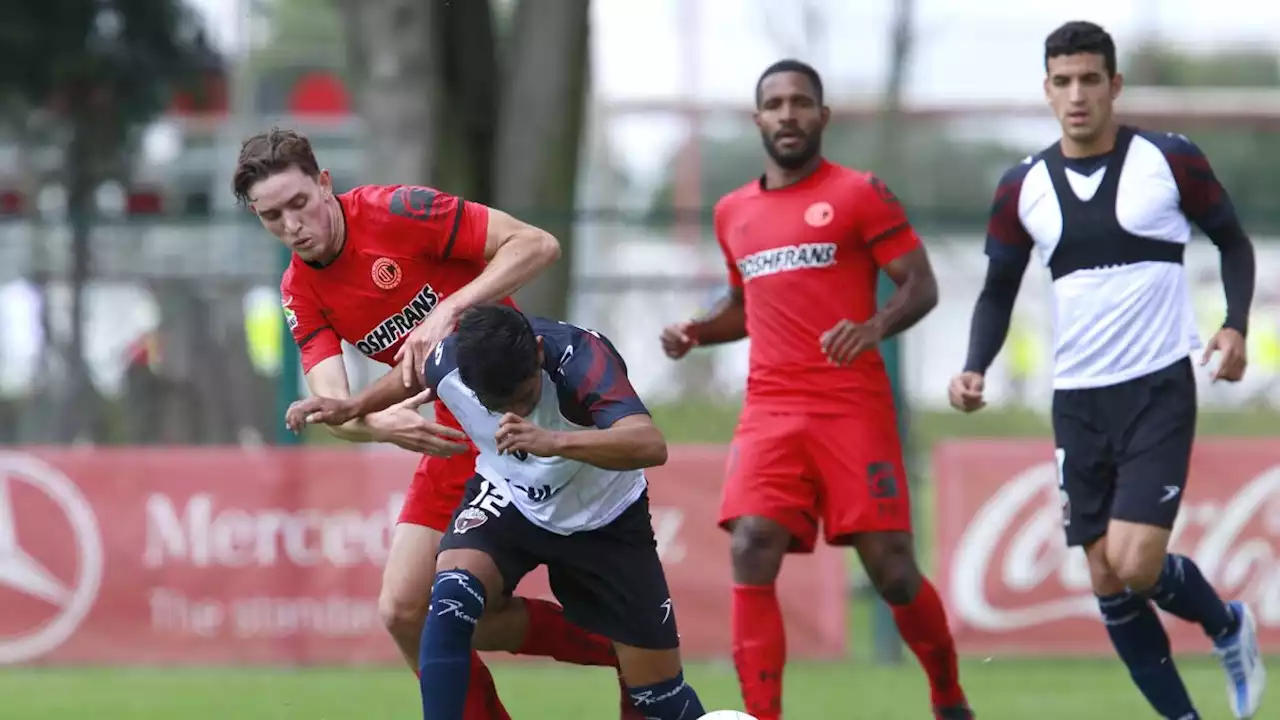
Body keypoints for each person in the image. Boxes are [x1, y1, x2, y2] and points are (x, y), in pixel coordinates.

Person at [236, 128, 642, 719]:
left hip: (524, 416)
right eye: (272, 216)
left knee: (470, 611)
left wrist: (450, 311)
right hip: (455, 440)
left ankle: (632, 651)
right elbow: (335, 408)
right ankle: (619, 651)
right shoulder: (300, 292)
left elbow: (537, 245)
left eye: (299, 203)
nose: (292, 224)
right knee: (404, 613)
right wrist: (383, 426)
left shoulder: (399, 211)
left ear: (325, 183)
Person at [947, 21, 1264, 720]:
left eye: (1091, 79)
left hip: (1157, 388)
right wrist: (974, 366)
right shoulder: (1021, 187)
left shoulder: (1168, 160)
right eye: (1063, 82)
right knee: (1103, 574)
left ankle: (1226, 624)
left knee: (1137, 563)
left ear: (1114, 86)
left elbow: (1234, 243)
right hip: (1078, 401)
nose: (1077, 94)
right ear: (1047, 90)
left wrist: (1235, 324)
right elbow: (997, 290)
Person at [659, 60, 971, 720]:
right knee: (751, 546)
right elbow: (747, 307)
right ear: (759, 119)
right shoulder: (732, 213)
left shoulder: (860, 193)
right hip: (769, 409)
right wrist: (696, 332)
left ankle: (948, 697)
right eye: (775, 103)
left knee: (889, 568)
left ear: (822, 117)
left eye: (802, 102)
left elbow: (922, 284)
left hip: (851, 407)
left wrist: (875, 325)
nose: (789, 113)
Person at [288, 305, 707, 720]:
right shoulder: (452, 357)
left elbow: (650, 444)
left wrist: (554, 441)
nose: (513, 413)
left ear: (538, 353)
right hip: (511, 499)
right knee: (449, 602)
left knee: (661, 701)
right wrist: (353, 406)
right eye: (495, 404)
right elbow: (410, 375)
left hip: (606, 517)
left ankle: (625, 648)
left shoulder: (581, 358)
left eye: (524, 398)